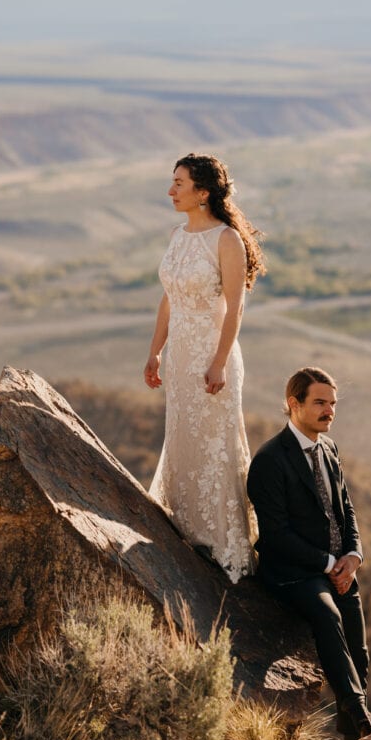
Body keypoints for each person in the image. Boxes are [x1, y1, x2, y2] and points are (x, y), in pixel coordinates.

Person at [145, 153, 265, 583]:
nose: (171, 190)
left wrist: (217, 363)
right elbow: (168, 298)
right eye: (172, 181)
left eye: (179, 183)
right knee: (182, 437)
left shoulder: (226, 240)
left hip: (213, 358)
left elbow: (235, 309)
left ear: (203, 192)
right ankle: (188, 530)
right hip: (178, 356)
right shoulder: (178, 235)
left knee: (217, 444)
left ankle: (226, 545)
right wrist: (155, 351)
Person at [247, 366, 371, 740]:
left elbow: (347, 509)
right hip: (292, 572)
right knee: (327, 616)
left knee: (359, 650)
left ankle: (352, 733)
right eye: (320, 402)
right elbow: (275, 535)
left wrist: (354, 555)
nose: (329, 410)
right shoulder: (270, 460)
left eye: (333, 403)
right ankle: (363, 720)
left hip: (337, 568)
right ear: (294, 404)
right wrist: (327, 564)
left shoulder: (330, 448)